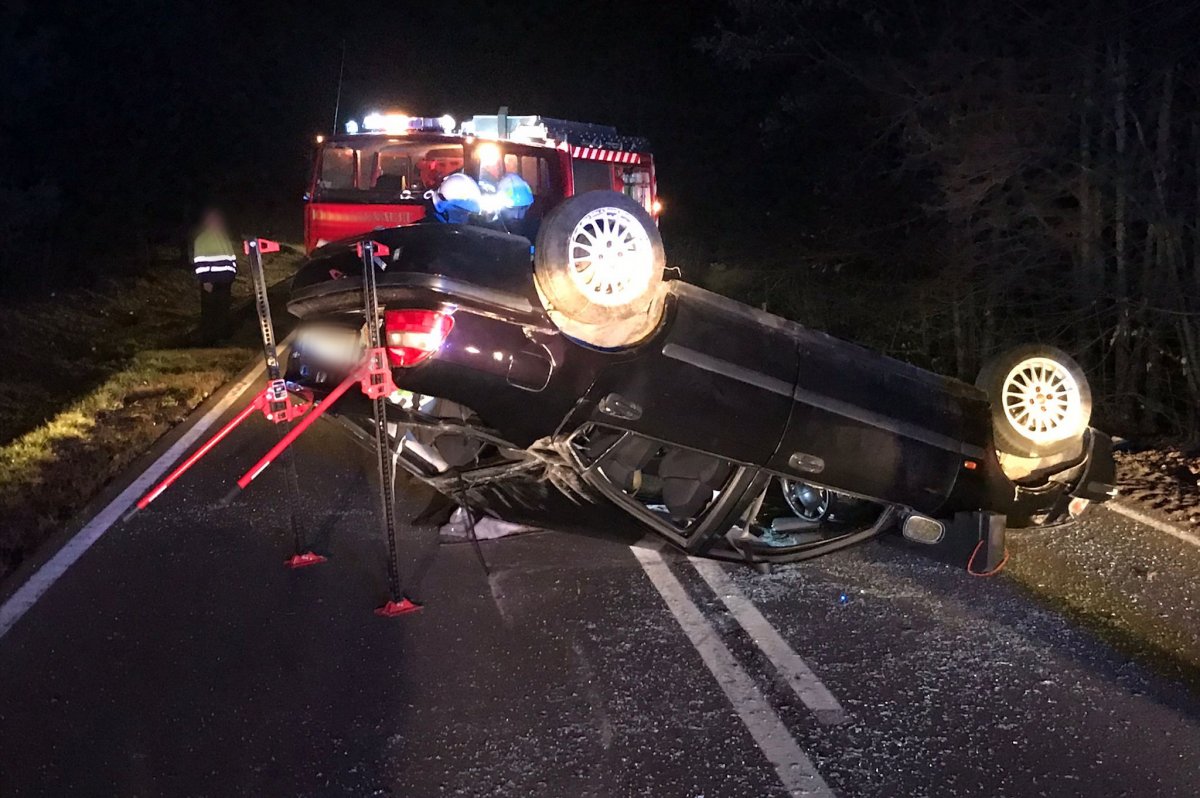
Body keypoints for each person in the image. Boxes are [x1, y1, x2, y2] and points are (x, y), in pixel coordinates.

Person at [191, 209, 238, 344]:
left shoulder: (208, 238)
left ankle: (216, 337)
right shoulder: (213, 238)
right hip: (219, 280)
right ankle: (216, 337)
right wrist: (207, 280)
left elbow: (200, 262)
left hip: (217, 281)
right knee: (217, 309)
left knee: (216, 309)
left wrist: (206, 280)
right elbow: (201, 262)